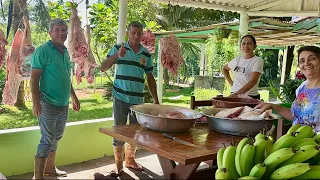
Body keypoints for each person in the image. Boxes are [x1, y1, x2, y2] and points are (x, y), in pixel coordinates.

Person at [100, 21, 159, 177]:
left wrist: (156, 100)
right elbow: (103, 67)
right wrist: (116, 55)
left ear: (142, 35)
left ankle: (130, 160)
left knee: (135, 132)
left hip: (138, 100)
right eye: (133, 32)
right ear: (128, 33)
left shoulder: (146, 54)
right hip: (120, 97)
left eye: (139, 33)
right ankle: (118, 164)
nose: (136, 36)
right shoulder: (119, 48)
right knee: (119, 131)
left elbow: (150, 77)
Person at [30, 18, 80, 179]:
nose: (61, 33)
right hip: (47, 102)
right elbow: (34, 78)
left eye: (63, 30)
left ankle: (50, 168)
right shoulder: (43, 50)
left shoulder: (65, 51)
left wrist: (74, 97)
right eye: (57, 30)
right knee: (47, 139)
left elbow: (66, 77)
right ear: (50, 32)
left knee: (56, 137)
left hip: (63, 103)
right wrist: (36, 102)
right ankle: (38, 176)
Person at [257, 46, 320, 133]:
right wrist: (273, 106)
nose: (306, 63)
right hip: (296, 139)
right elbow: (296, 115)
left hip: (315, 143)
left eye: (312, 58)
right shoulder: (302, 87)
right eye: (302, 61)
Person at [222, 35, 264, 99]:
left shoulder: (257, 60)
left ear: (255, 46)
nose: (246, 46)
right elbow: (225, 69)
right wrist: (232, 84)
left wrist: (237, 94)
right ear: (240, 47)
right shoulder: (236, 60)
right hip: (234, 95)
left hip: (250, 96)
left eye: (249, 43)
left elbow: (253, 81)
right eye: (243, 43)